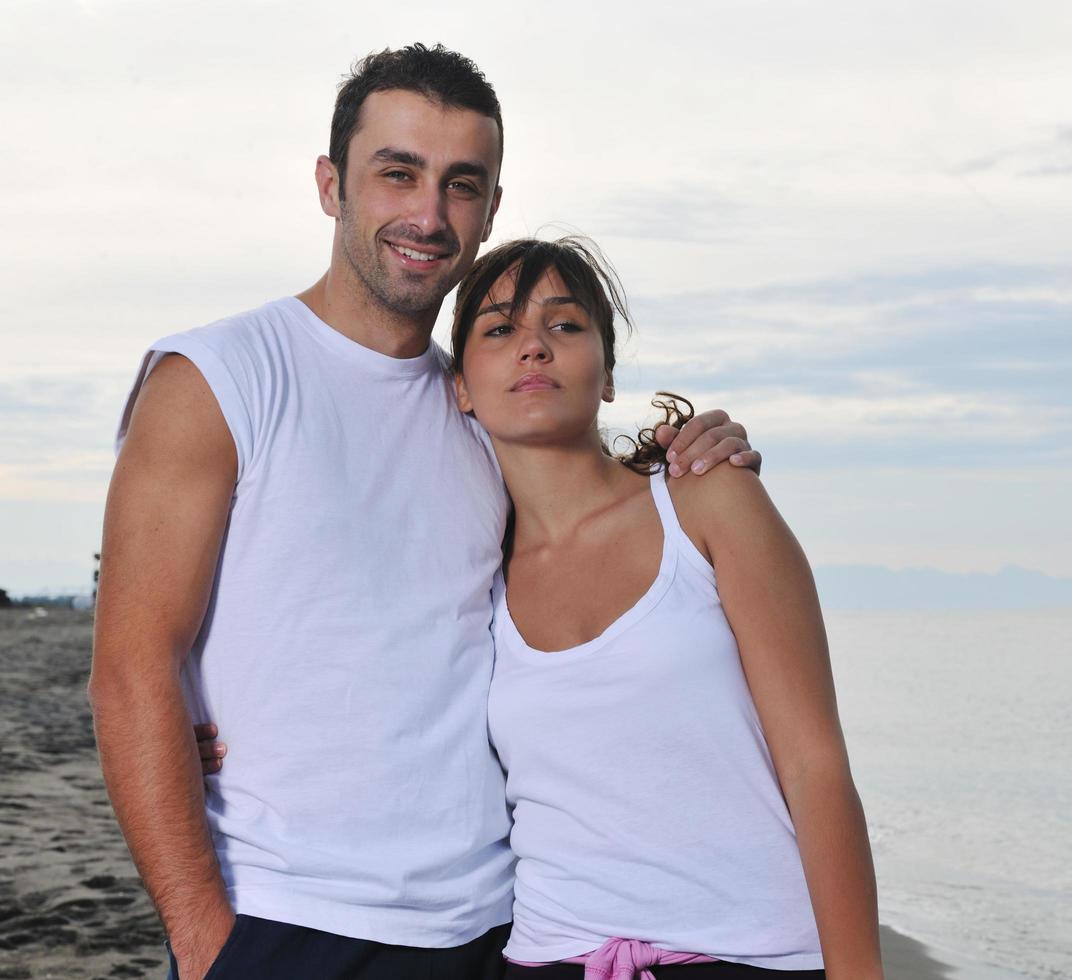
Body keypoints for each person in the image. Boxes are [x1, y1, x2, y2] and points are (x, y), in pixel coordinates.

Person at [89, 44, 758, 980]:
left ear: (487, 211)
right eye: (397, 173)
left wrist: (691, 450)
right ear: (332, 185)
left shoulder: (484, 413)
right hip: (285, 917)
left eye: (460, 184)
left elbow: (595, 523)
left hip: (490, 926)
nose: (427, 214)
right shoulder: (219, 379)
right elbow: (129, 671)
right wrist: (206, 947)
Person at [452, 237, 882, 979]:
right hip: (549, 957)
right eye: (499, 330)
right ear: (461, 386)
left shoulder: (708, 499)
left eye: (564, 325)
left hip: (750, 955)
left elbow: (815, 764)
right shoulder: (465, 572)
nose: (533, 348)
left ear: (609, 373)